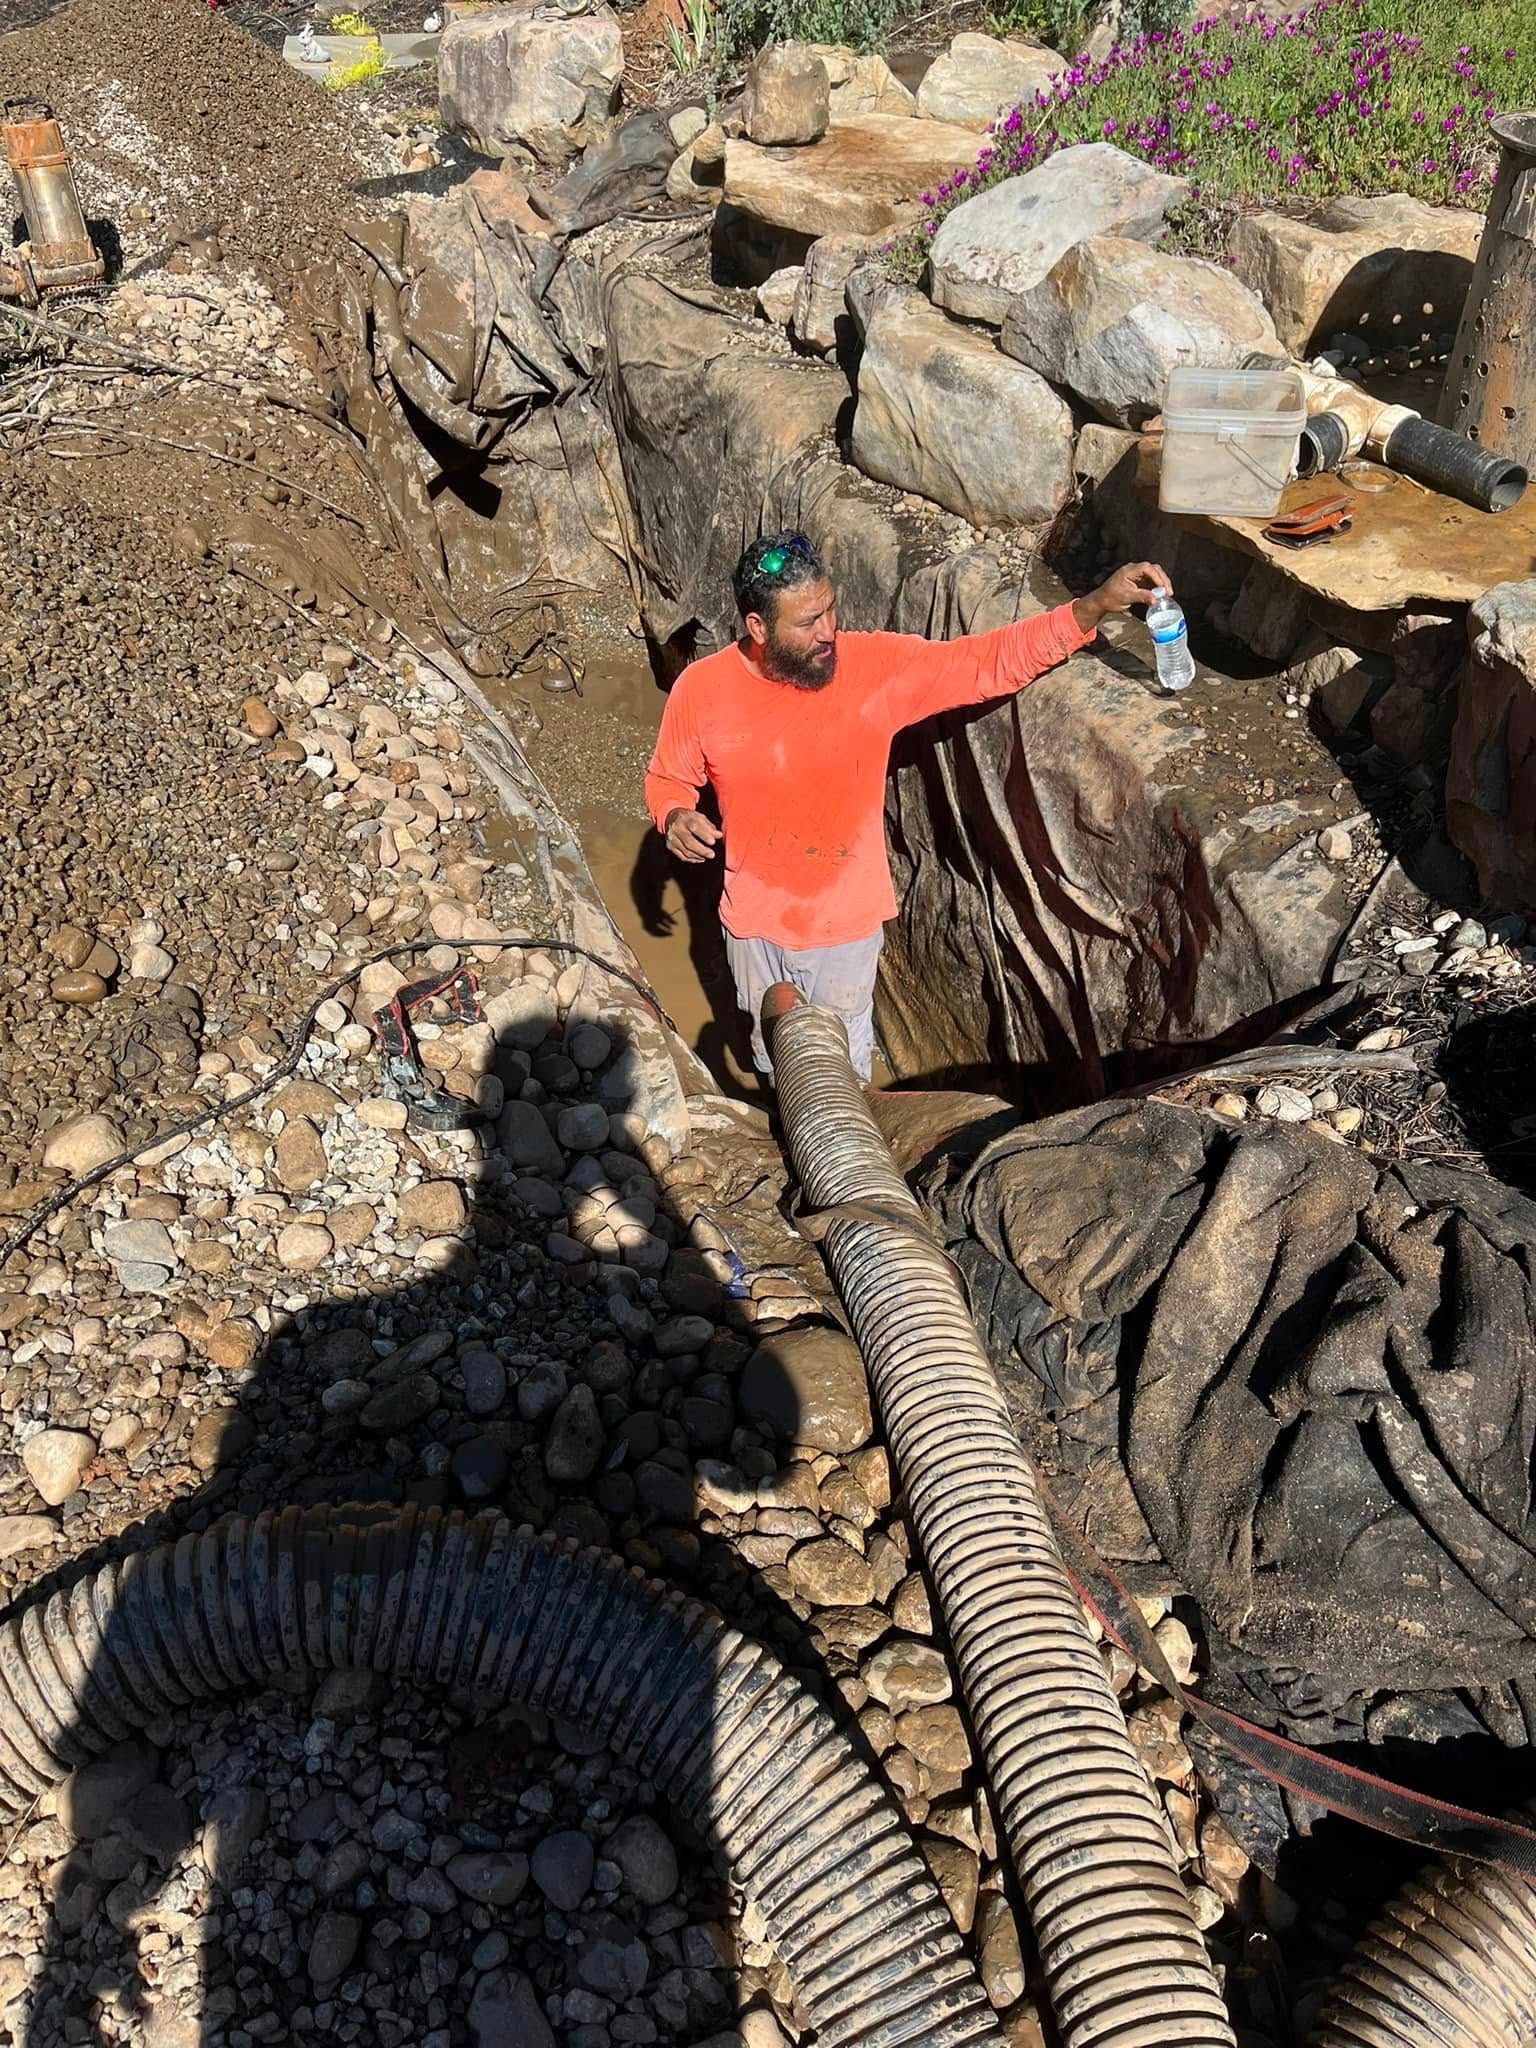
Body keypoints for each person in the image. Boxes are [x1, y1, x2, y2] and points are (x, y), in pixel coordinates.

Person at [643, 533, 1172, 1081]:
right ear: (758, 628)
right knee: (775, 1061)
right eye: (807, 622)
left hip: (845, 930)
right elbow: (666, 778)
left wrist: (1093, 606)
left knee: (842, 1080)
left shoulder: (871, 667)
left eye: (830, 610)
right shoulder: (702, 690)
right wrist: (674, 814)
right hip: (752, 925)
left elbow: (985, 662)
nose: (828, 632)